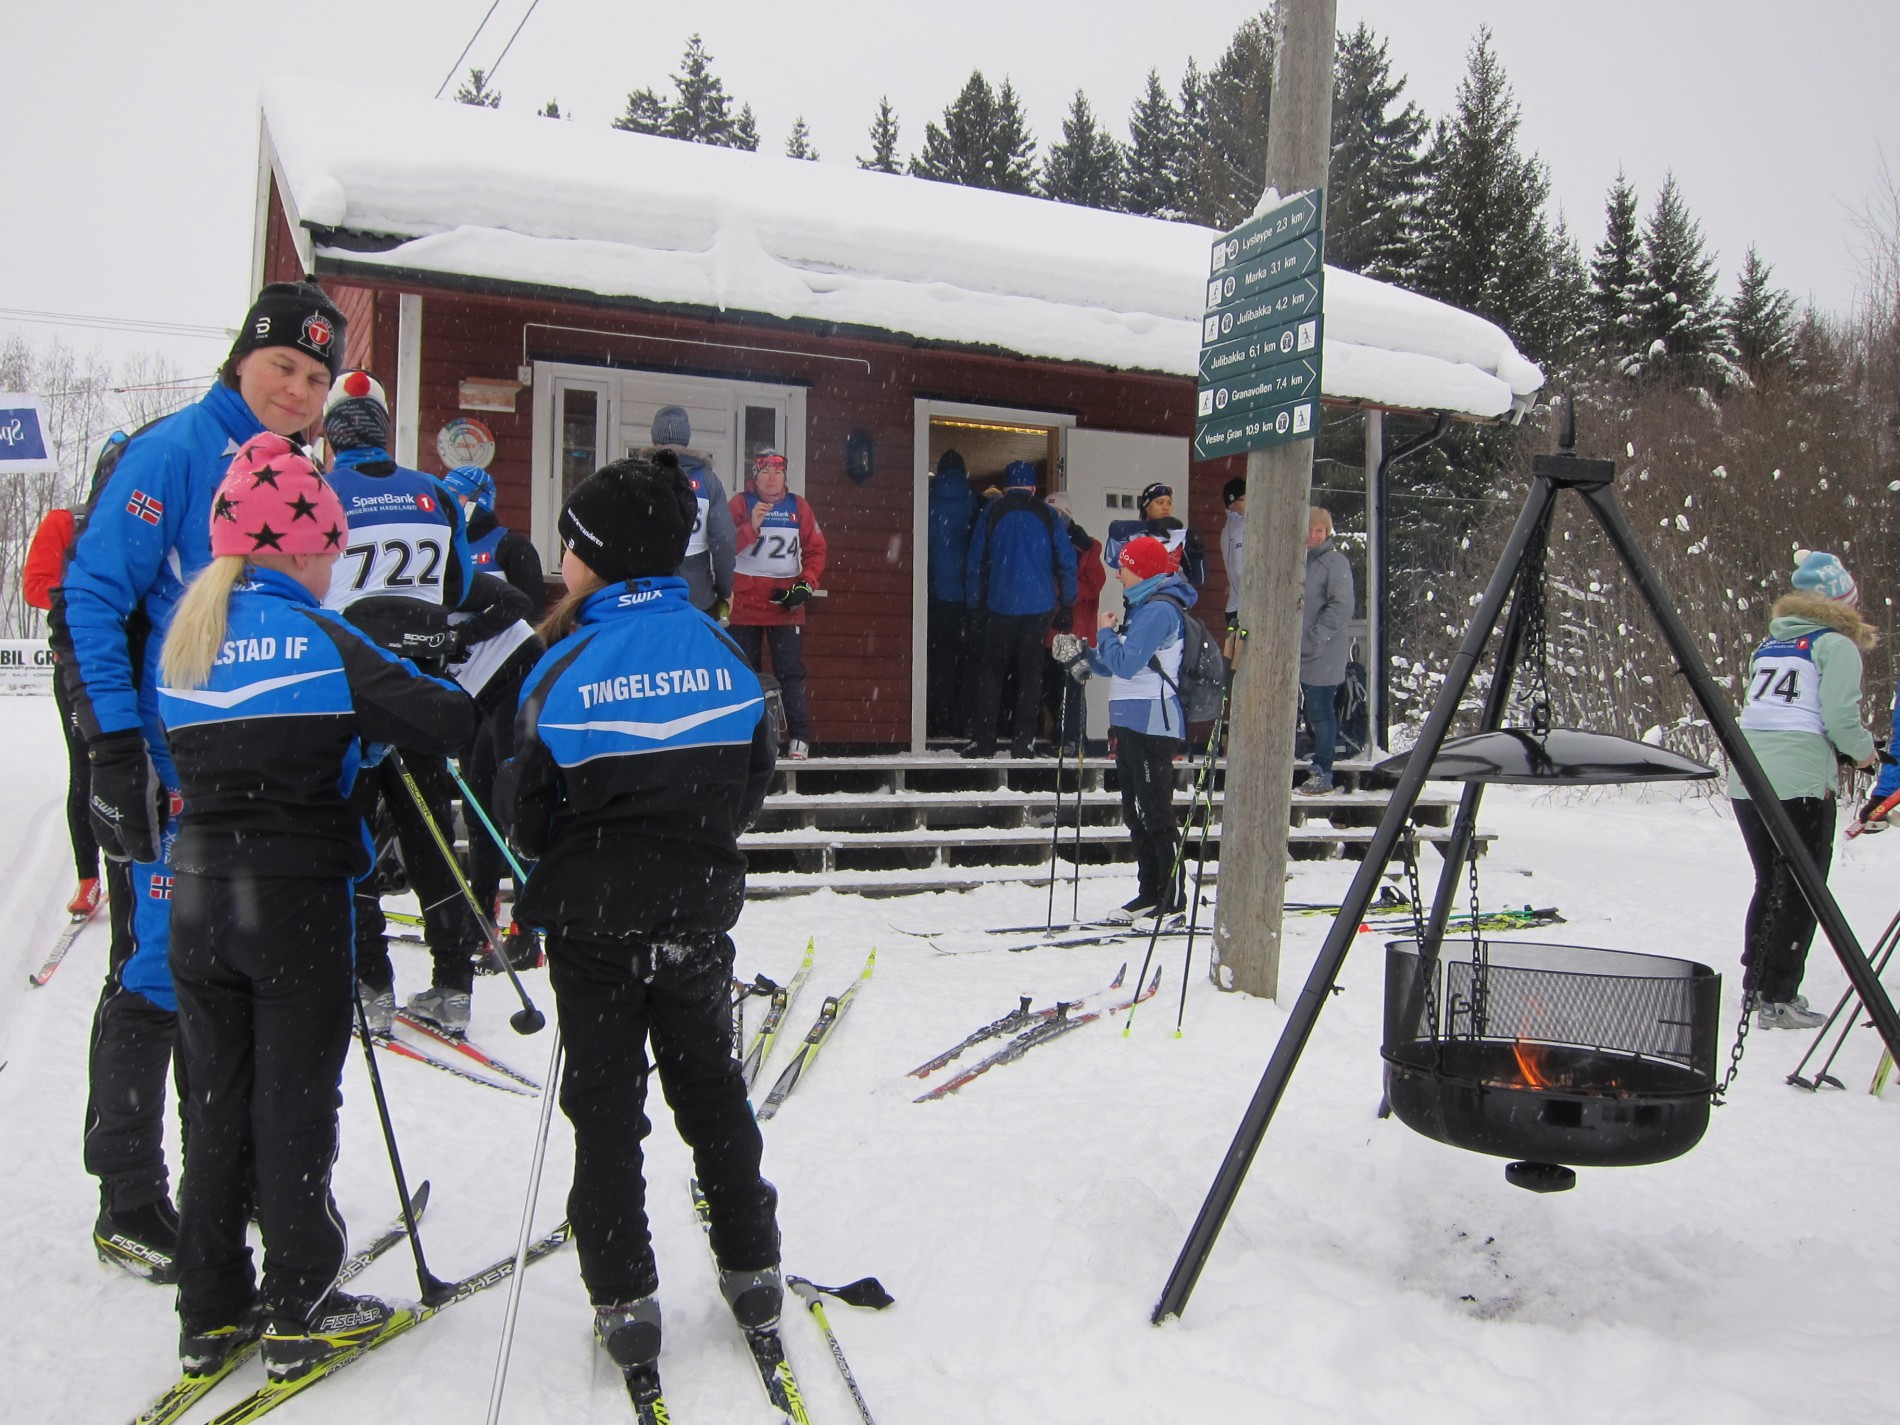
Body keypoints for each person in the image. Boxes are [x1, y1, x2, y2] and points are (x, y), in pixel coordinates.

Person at [155, 433, 473, 1385]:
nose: (336, 563)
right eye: (329, 547)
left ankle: (210, 1306)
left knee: (211, 1101)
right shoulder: (326, 638)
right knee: (295, 1098)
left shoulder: (186, 637)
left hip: (199, 896)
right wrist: (372, 731)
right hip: (291, 900)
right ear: (294, 545)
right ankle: (301, 1299)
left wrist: (344, 744)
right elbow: (449, 719)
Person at [52, 279, 347, 1284]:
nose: (298, 389)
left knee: (245, 981)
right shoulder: (176, 452)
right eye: (284, 367)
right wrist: (113, 747)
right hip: (172, 777)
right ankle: (130, 1195)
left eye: (315, 377)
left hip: (258, 786)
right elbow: (90, 594)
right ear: (241, 358)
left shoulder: (295, 468)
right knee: (155, 976)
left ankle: (254, 1189)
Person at [499, 454, 781, 1380]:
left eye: (573, 548)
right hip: (694, 914)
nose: (562, 563)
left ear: (604, 558)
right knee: (711, 1090)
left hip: (592, 928)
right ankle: (752, 1261)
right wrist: (691, 840)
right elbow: (753, 779)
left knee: (606, 1110)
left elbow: (528, 810)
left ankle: (623, 1290)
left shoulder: (564, 661)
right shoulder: (724, 647)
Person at [321, 369, 532, 1036]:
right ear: (384, 427)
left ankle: (369, 982)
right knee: (432, 837)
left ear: (332, 431)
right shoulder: (432, 495)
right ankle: (451, 984)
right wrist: (464, 630)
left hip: (345, 695)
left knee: (349, 838)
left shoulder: (318, 493)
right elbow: (463, 587)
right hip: (421, 694)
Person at [1733, 550, 1876, 1030]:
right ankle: (1779, 997)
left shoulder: (1768, 646)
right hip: (1799, 783)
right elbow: (1840, 720)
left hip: (1747, 778)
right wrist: (1863, 753)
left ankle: (1755, 986)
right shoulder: (1836, 646)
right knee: (1802, 887)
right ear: (1842, 604)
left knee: (1768, 882)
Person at [1062, 535, 1197, 917]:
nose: (1118, 574)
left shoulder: (1158, 611)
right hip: (1129, 721)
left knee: (1155, 811)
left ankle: (1171, 900)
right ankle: (1150, 892)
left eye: (1123, 566)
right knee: (1136, 811)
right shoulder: (1141, 608)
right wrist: (1083, 654)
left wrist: (1104, 632)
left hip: (1151, 723)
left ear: (1142, 569)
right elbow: (1112, 662)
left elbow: (1125, 664)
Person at [962, 461, 1077, 758]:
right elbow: (1067, 561)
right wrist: (1067, 603)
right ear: (1034, 488)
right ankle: (1023, 741)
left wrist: (974, 607)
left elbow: (975, 564)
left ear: (1005, 487)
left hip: (998, 607)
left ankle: (984, 740)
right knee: (1030, 675)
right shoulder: (1048, 514)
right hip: (1038, 608)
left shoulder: (992, 512)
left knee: (990, 673)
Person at [728, 447, 828, 758]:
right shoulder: (740, 503)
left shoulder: (798, 506)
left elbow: (816, 550)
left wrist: (806, 584)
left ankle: (799, 737)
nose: (772, 478)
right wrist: (750, 528)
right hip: (744, 606)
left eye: (778, 472)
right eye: (765, 472)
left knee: (790, 673)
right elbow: (722, 545)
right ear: (754, 476)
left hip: (785, 605)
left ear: (785, 476)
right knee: (747, 673)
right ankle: (752, 739)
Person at [643, 404, 736, 615]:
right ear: (686, 439)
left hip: (647, 594)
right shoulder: (708, 482)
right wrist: (724, 588)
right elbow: (724, 539)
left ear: (654, 439)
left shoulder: (636, 476)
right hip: (695, 596)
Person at [1041, 491, 1104, 754]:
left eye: (1057, 514)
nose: (1052, 518)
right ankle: (1062, 735)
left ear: (1067, 516)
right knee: (1054, 685)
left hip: (1074, 628)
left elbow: (1096, 583)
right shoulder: (1044, 543)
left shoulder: (1087, 546)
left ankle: (1075, 740)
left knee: (1073, 686)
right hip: (1050, 628)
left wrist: (1063, 590)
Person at [1298, 506, 1355, 794]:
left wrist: (1315, 634)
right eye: (1309, 530)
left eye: (1319, 530)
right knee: (1309, 711)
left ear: (1327, 533)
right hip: (1299, 651)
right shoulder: (1299, 560)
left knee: (1321, 711)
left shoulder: (1335, 563)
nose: (1313, 535)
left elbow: (1342, 606)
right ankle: (1316, 759)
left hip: (1324, 651)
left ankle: (1324, 770)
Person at [443, 463, 546, 619]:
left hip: (495, 639)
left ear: (477, 500)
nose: (446, 504)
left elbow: (532, 613)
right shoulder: (442, 542)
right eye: (443, 496)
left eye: (454, 496)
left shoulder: (512, 545)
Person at [926, 449, 976, 738]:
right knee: (969, 661)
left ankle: (940, 718)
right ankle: (965, 719)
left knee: (941, 662)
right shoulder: (974, 504)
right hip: (967, 599)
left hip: (937, 597)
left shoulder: (928, 503)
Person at [1104, 480, 1207, 586]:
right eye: (1160, 502)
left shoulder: (1178, 537)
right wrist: (1152, 526)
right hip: (1138, 599)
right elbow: (1115, 531)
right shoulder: (1132, 534)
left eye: (1169, 503)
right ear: (1146, 506)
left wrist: (1198, 553)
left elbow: (1199, 579)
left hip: (1168, 599)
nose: (1166, 507)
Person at [1219, 476, 1246, 657]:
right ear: (1231, 504)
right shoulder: (1239, 528)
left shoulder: (1231, 527)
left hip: (1235, 608)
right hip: (1241, 609)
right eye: (1244, 499)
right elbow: (1238, 569)